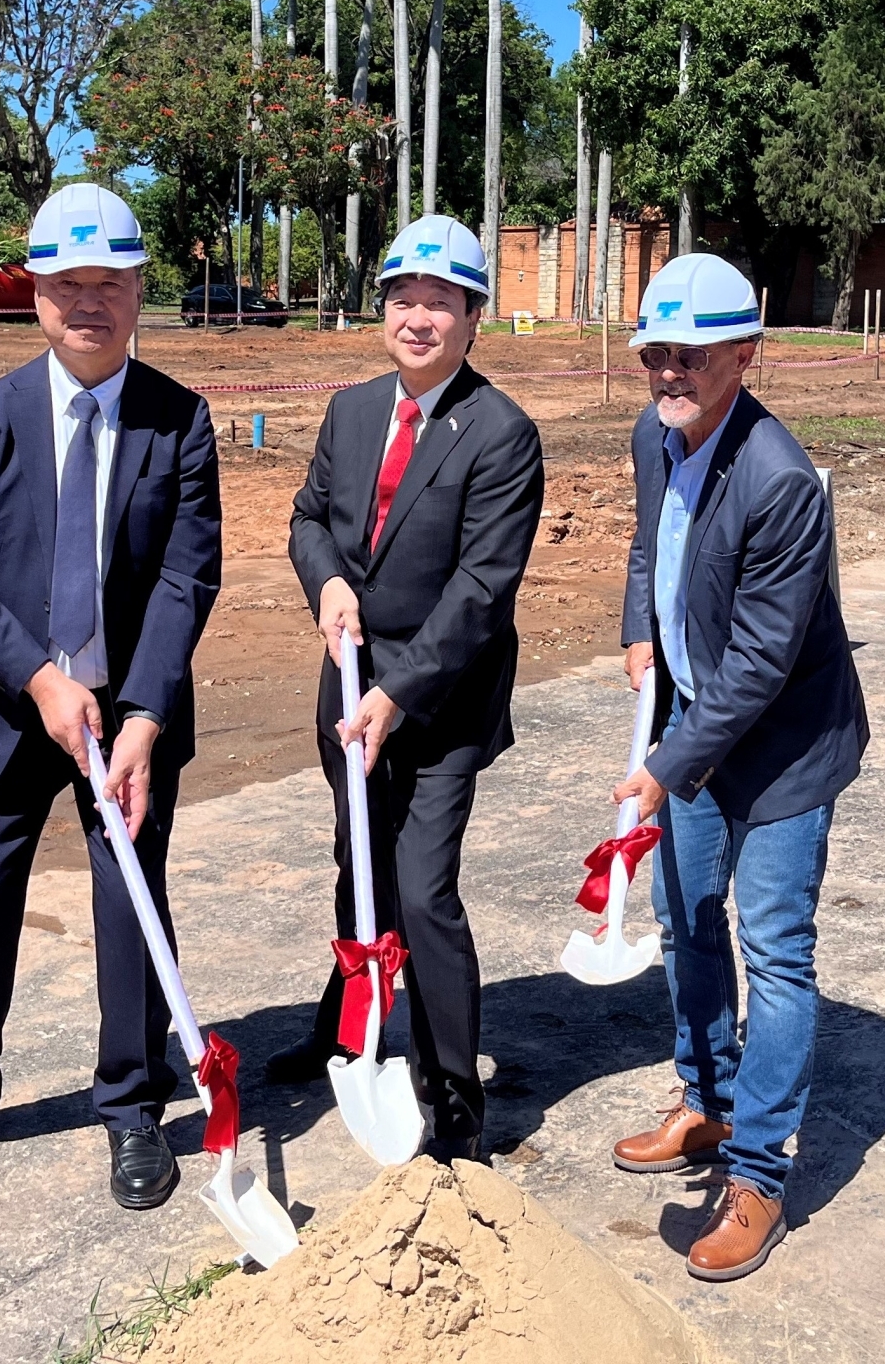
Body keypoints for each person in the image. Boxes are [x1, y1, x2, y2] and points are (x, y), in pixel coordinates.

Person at [0, 185, 221, 1210]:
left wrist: (144, 717)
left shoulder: (180, 419)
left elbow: (186, 578)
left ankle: (133, 1104)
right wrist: (40, 678)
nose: (89, 301)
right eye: (68, 283)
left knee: (130, 902)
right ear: (36, 294)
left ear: (139, 290)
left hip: (128, 720)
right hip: (7, 707)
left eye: (109, 283)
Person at [613, 251, 868, 1281]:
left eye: (691, 354)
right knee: (683, 916)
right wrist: (640, 630)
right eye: (655, 353)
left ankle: (759, 1172)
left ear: (744, 355)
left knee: (774, 947)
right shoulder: (657, 432)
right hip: (696, 719)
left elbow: (762, 661)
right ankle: (708, 1100)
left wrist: (664, 763)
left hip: (784, 750)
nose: (669, 371)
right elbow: (650, 545)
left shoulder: (781, 481)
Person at [270, 215, 544, 1162]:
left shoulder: (501, 433)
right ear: (381, 309)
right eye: (403, 299)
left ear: (473, 317)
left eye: (440, 302)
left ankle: (454, 1097)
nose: (418, 318)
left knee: (422, 891)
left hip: (440, 703)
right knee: (360, 867)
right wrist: (326, 582)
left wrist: (399, 693)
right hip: (350, 692)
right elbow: (308, 520)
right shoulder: (350, 412)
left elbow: (482, 590)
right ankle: (350, 1029)